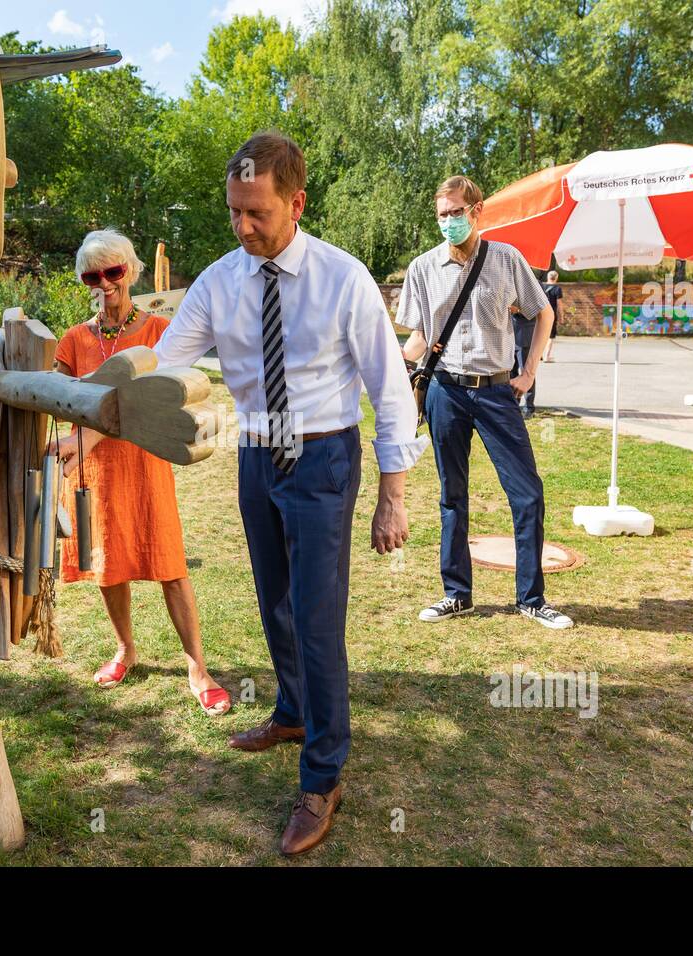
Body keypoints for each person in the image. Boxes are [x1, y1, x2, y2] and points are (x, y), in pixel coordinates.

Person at [146, 131, 426, 856]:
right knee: (275, 601)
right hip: (258, 454)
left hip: (324, 457)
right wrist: (96, 396)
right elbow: (166, 361)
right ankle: (295, 711)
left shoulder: (343, 278)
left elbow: (390, 390)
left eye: (258, 213)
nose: (243, 227)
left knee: (316, 616)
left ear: (296, 203)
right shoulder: (219, 280)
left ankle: (323, 776)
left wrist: (391, 496)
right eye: (234, 211)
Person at [52, 229, 231, 718]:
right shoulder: (73, 339)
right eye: (93, 274)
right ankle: (125, 649)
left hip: (144, 464)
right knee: (107, 563)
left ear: (130, 271)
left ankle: (198, 667)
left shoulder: (157, 332)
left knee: (169, 565)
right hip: (90, 469)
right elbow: (63, 400)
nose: (105, 283)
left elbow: (155, 398)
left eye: (114, 271)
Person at [400, 175, 572, 631]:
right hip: (445, 391)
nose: (449, 222)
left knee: (527, 493)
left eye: (457, 212)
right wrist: (393, 362)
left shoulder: (505, 259)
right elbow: (419, 338)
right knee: (451, 495)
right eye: (442, 215)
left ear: (476, 211)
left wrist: (529, 371)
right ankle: (457, 594)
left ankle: (531, 598)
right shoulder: (422, 268)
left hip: (496, 391)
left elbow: (544, 312)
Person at [511, 303, 538, 418]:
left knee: (525, 372)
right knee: (509, 373)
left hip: (524, 335)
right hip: (509, 337)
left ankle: (529, 407)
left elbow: (538, 308)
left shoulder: (535, 284)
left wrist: (517, 309)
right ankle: (513, 405)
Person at [541, 270, 562, 362]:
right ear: (556, 278)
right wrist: (561, 316)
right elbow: (559, 304)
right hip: (551, 315)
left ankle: (539, 356)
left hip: (540, 314)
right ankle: (547, 356)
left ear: (548, 277)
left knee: (540, 335)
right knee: (550, 335)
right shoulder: (557, 289)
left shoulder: (542, 287)